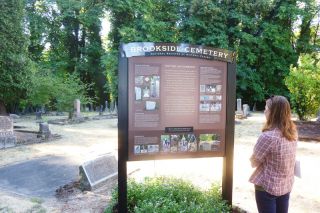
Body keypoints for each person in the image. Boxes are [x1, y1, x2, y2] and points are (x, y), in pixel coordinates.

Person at [249, 95, 298, 213]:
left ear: (274, 112)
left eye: (267, 108)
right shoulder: (293, 134)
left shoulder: (268, 137)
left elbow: (254, 162)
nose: (265, 110)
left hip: (267, 187)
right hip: (285, 186)